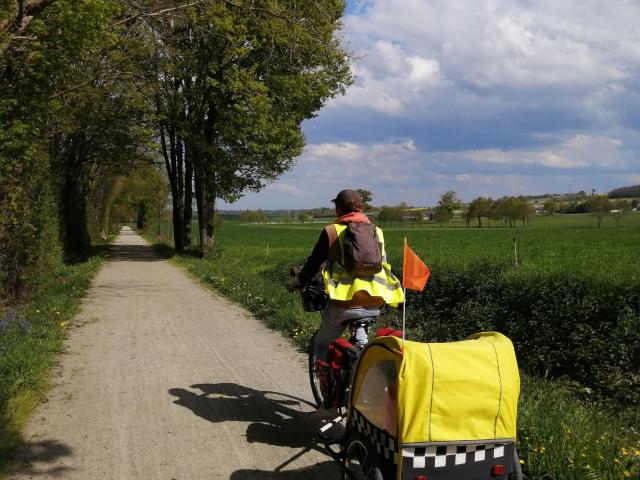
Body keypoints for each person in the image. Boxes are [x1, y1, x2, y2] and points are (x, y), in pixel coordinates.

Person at [290, 189, 404, 361]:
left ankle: (326, 387)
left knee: (321, 345)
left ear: (338, 209)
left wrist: (299, 282)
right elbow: (384, 264)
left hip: (345, 302)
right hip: (377, 301)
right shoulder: (377, 231)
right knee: (361, 343)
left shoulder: (331, 231)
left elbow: (313, 264)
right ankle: (358, 364)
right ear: (360, 208)